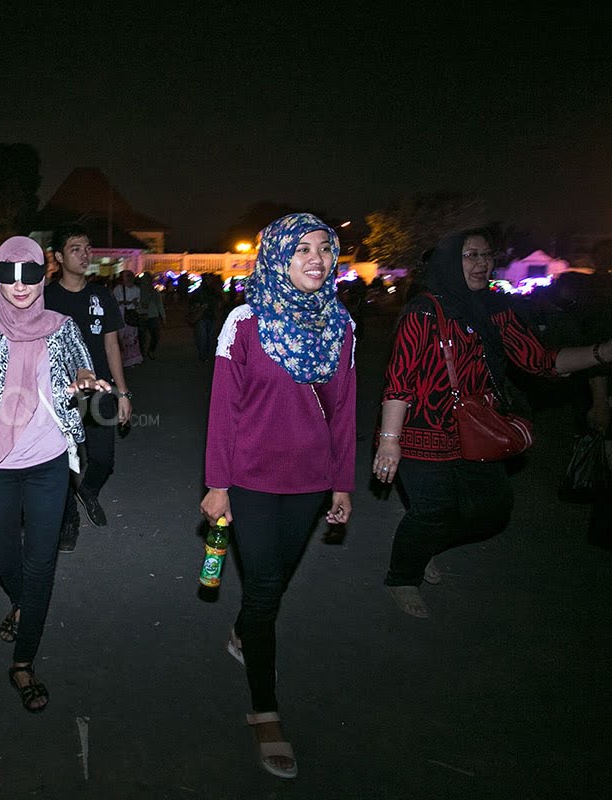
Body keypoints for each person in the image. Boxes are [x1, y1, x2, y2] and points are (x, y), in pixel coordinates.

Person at [374, 229, 612, 616]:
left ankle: (422, 544)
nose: (481, 263)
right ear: (451, 261)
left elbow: (541, 361)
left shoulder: (497, 309)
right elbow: (399, 382)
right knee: (433, 511)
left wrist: (601, 353)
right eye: (470, 255)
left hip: (478, 425)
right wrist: (388, 441)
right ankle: (403, 576)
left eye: (486, 255)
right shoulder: (423, 310)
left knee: (493, 510)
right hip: (421, 429)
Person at [199, 213, 356, 780]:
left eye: (324, 249)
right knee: (266, 586)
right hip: (250, 478)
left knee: (274, 581)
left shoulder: (341, 323)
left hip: (310, 482)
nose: (316, 259)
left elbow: (344, 409)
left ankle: (245, 629)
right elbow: (223, 410)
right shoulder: (245, 322)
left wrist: (343, 482)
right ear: (277, 258)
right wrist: (217, 484)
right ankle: (265, 710)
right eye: (301, 250)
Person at [0, 235, 106, 713]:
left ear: (43, 275)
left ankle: (23, 660)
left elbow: (79, 363)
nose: (19, 286)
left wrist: (82, 379)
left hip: (47, 459)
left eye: (29, 274)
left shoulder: (61, 325)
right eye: (8, 275)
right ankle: (24, 603)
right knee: (1, 553)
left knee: (42, 561)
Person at [44, 223, 133, 552]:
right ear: (58, 257)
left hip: (99, 393)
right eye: (75, 249)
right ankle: (69, 520)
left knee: (103, 459)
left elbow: (112, 346)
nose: (85, 255)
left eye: (87, 248)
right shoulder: (46, 298)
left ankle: (89, 490)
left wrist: (122, 393)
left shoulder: (102, 295)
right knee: (62, 462)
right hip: (58, 394)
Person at [112, 268, 144, 367]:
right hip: (121, 314)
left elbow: (138, 303)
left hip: (131, 314)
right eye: (127, 276)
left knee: (132, 338)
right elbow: (113, 302)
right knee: (122, 337)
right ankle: (122, 359)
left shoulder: (137, 289)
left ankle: (132, 359)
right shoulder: (118, 288)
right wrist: (123, 302)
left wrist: (135, 303)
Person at [137, 270, 166, 359]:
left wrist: (163, 316)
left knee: (155, 335)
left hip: (153, 316)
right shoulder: (138, 291)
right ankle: (143, 353)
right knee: (142, 337)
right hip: (142, 315)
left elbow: (160, 305)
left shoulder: (154, 292)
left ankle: (150, 351)